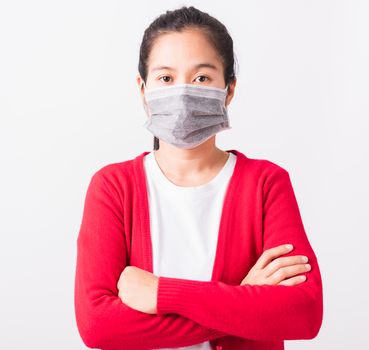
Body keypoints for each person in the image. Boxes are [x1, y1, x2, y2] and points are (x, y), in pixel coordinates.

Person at [74, 6, 323, 350]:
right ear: (143, 88)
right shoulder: (113, 187)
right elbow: (98, 327)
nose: (182, 92)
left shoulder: (266, 183)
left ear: (229, 89)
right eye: (165, 78)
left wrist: (162, 294)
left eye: (202, 78)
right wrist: (241, 300)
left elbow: (303, 313)